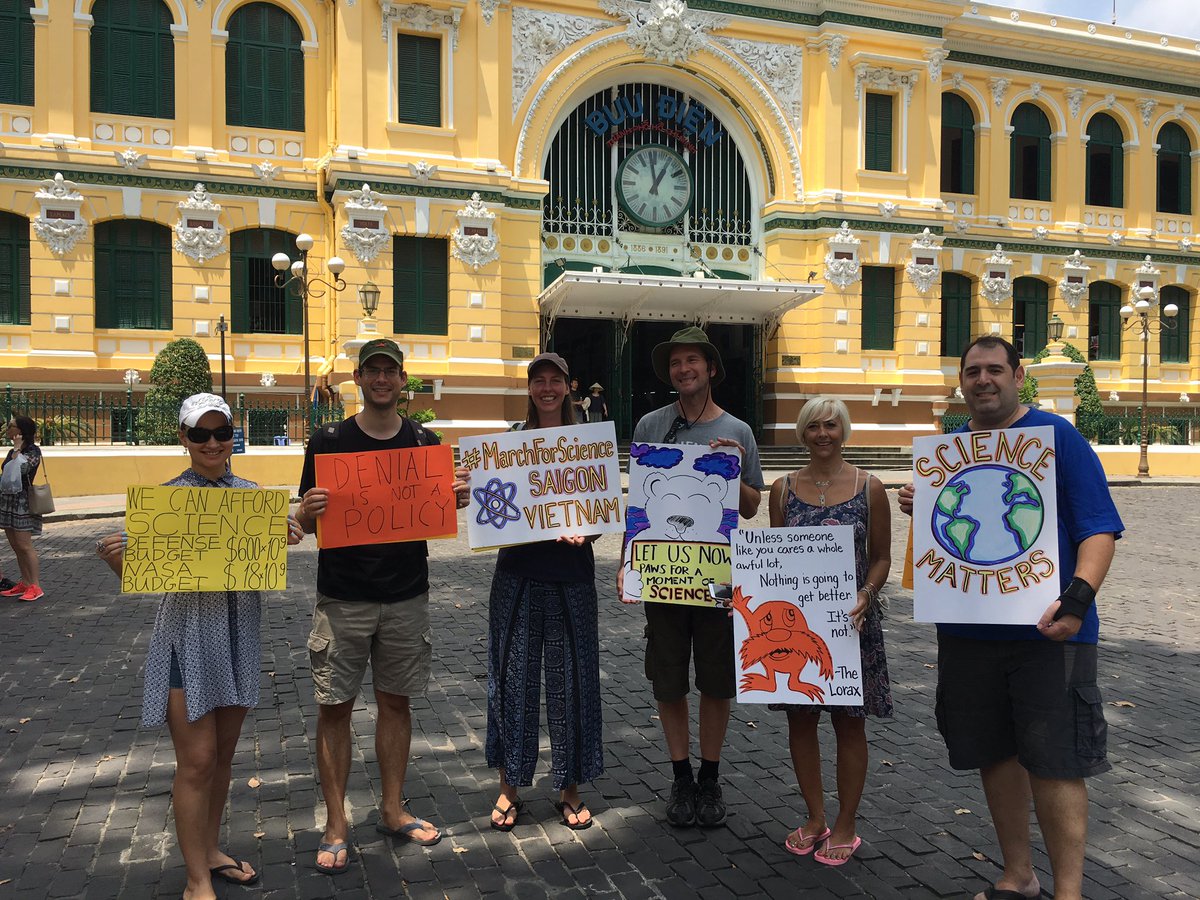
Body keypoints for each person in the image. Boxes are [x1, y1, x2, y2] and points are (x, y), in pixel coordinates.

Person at [898, 336, 1122, 900]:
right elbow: (949, 538)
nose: (983, 380)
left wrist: (1076, 601)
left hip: (1050, 632)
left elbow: (1097, 527)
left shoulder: (1057, 438)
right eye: (972, 371)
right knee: (994, 754)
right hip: (969, 631)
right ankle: (1017, 877)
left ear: (1018, 375)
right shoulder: (951, 449)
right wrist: (922, 504)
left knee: (1055, 760)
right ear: (961, 381)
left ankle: (1068, 893)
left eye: (994, 369)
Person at [96, 393, 306, 900]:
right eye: (200, 434)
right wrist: (116, 559)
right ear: (183, 439)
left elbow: (264, 556)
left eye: (220, 432)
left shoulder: (252, 496)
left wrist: (287, 533)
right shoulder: (164, 502)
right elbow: (145, 576)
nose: (212, 443)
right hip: (186, 640)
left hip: (238, 638)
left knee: (224, 757)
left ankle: (210, 851)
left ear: (233, 436)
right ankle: (195, 881)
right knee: (196, 761)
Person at [294, 338, 470, 875]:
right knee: (334, 709)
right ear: (358, 378)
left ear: (402, 379)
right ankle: (336, 823)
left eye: (390, 371)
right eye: (372, 370)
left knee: (397, 705)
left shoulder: (425, 441)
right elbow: (302, 525)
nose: (381, 379)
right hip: (342, 598)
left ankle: (392, 809)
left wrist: (455, 498)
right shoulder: (328, 440)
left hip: (405, 597)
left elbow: (443, 508)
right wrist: (304, 511)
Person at [619, 326, 765, 828]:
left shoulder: (739, 430)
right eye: (676, 363)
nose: (683, 370)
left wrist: (735, 466)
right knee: (668, 680)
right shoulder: (650, 424)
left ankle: (710, 775)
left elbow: (749, 508)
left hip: (719, 576)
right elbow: (638, 506)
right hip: (663, 575)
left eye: (692, 361)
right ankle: (680, 776)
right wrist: (627, 566)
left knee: (717, 682)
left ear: (710, 369)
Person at [455, 352, 604, 832]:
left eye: (554, 380)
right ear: (529, 388)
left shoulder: (588, 444)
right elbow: (489, 507)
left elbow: (600, 509)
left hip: (571, 578)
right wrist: (468, 491)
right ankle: (509, 786)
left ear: (568, 386)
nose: (546, 388)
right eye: (538, 380)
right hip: (517, 575)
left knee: (573, 684)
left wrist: (591, 530)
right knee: (512, 679)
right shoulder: (510, 444)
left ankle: (570, 787)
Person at [767, 398, 891, 866]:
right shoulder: (782, 490)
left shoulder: (869, 486)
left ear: (845, 431)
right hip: (798, 628)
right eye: (814, 426)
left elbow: (881, 555)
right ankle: (816, 817)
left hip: (852, 624)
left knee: (849, 723)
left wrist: (867, 592)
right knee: (800, 719)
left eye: (831, 426)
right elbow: (773, 558)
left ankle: (846, 823)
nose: (823, 434)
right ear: (802, 432)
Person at [1, 415, 46, 602]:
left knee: (25, 545)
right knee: (16, 546)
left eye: (11, 426)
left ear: (20, 431)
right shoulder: (15, 449)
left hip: (23, 502)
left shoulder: (33, 451)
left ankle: (35, 585)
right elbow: (6, 470)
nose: (7, 428)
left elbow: (22, 470)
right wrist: (15, 450)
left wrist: (18, 450)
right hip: (7, 501)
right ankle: (25, 582)